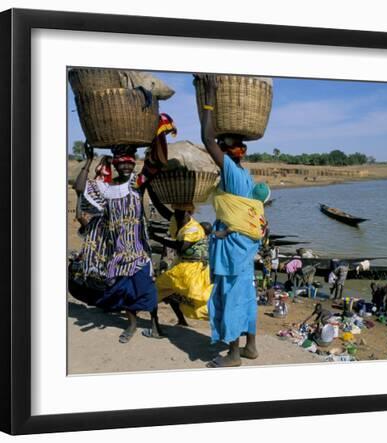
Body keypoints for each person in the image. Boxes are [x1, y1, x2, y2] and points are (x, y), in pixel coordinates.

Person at [198, 74, 264, 368]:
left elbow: (205, 137)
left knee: (231, 295)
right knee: (246, 294)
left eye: (222, 146)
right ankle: (250, 347)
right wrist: (217, 228)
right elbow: (244, 212)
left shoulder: (232, 173)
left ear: (227, 150)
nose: (218, 149)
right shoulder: (245, 175)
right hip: (244, 244)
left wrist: (209, 96)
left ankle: (234, 355)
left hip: (233, 248)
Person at [68, 144, 158, 344]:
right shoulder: (107, 190)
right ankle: (132, 325)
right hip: (118, 252)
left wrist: (157, 140)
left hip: (139, 249)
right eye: (121, 164)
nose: (125, 167)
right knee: (124, 292)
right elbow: (80, 187)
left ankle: (154, 324)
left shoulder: (136, 183)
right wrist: (89, 161)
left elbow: (153, 167)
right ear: (115, 165)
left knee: (147, 289)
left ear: (133, 164)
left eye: (129, 163)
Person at [146, 191, 213, 333]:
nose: (177, 214)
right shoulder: (179, 221)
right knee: (169, 293)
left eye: (180, 212)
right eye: (176, 211)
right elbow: (161, 208)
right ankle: (181, 321)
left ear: (189, 212)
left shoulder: (193, 229)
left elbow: (180, 246)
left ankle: (155, 328)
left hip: (189, 270)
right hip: (184, 268)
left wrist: (156, 238)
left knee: (155, 291)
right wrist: (151, 190)